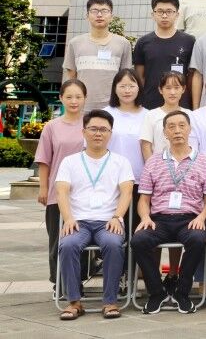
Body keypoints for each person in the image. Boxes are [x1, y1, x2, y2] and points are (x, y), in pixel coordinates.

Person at [133, 110, 206, 314]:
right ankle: (157, 292)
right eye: (171, 127)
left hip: (190, 218)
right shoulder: (154, 161)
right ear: (165, 133)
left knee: (197, 239)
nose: (177, 131)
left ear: (190, 129)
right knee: (139, 241)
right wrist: (145, 217)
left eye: (182, 126)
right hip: (159, 219)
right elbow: (143, 199)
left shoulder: (204, 161)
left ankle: (182, 291)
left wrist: (202, 217)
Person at [54, 109, 135, 321]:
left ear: (110, 133)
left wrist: (117, 217)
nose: (98, 133)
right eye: (93, 129)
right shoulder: (70, 161)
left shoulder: (121, 162)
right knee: (68, 244)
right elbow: (61, 192)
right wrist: (68, 218)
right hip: (78, 221)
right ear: (84, 132)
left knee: (113, 244)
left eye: (103, 129)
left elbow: (127, 192)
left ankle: (110, 301)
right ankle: (74, 302)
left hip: (108, 221)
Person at [35, 79, 88, 285]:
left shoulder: (90, 125)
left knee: (82, 239)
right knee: (58, 239)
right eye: (69, 97)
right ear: (61, 98)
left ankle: (78, 282)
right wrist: (43, 187)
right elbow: (44, 160)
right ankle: (59, 282)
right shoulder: (52, 127)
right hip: (57, 193)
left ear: (85, 99)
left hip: (85, 193)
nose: (74, 101)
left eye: (78, 97)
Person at [63, 0, 133, 110]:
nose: (99, 15)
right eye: (94, 11)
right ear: (87, 16)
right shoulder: (75, 43)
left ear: (111, 16)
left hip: (113, 109)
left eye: (104, 11)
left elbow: (125, 78)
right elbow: (71, 79)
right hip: (81, 109)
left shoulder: (123, 43)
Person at [133, 0, 196, 109]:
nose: (164, 15)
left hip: (180, 104)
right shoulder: (143, 42)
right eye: (160, 11)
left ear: (177, 14)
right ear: (153, 14)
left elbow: (192, 76)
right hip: (150, 104)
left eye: (169, 11)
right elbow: (139, 77)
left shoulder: (189, 41)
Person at [140, 71, 194, 160]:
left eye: (176, 88)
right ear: (160, 90)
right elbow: (146, 146)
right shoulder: (151, 115)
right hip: (158, 166)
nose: (172, 92)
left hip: (186, 165)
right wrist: (152, 166)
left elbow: (194, 143)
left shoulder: (191, 115)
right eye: (168, 88)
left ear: (183, 89)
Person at [105, 69, 146, 187]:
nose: (127, 91)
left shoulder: (149, 116)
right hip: (109, 178)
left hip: (140, 179)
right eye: (122, 86)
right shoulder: (105, 114)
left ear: (139, 88)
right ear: (114, 88)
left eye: (131, 86)